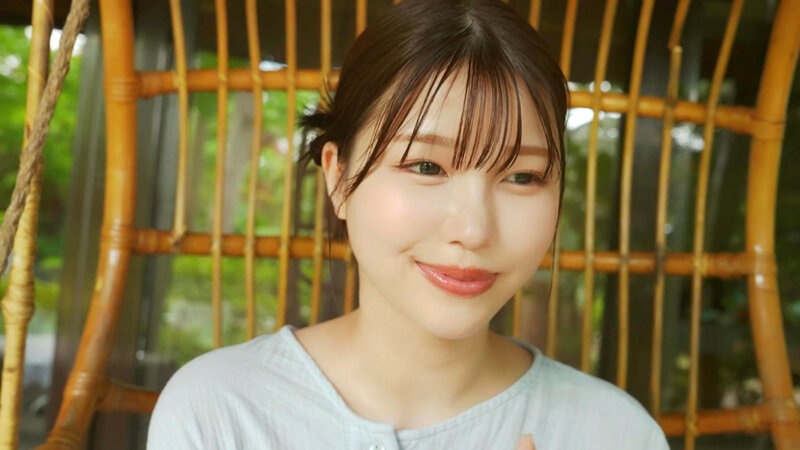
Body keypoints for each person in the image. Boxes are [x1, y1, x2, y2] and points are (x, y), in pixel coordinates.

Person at [147, 0, 670, 448]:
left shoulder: (616, 434)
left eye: (522, 176)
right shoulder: (220, 411)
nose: (474, 230)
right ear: (338, 177)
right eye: (426, 167)